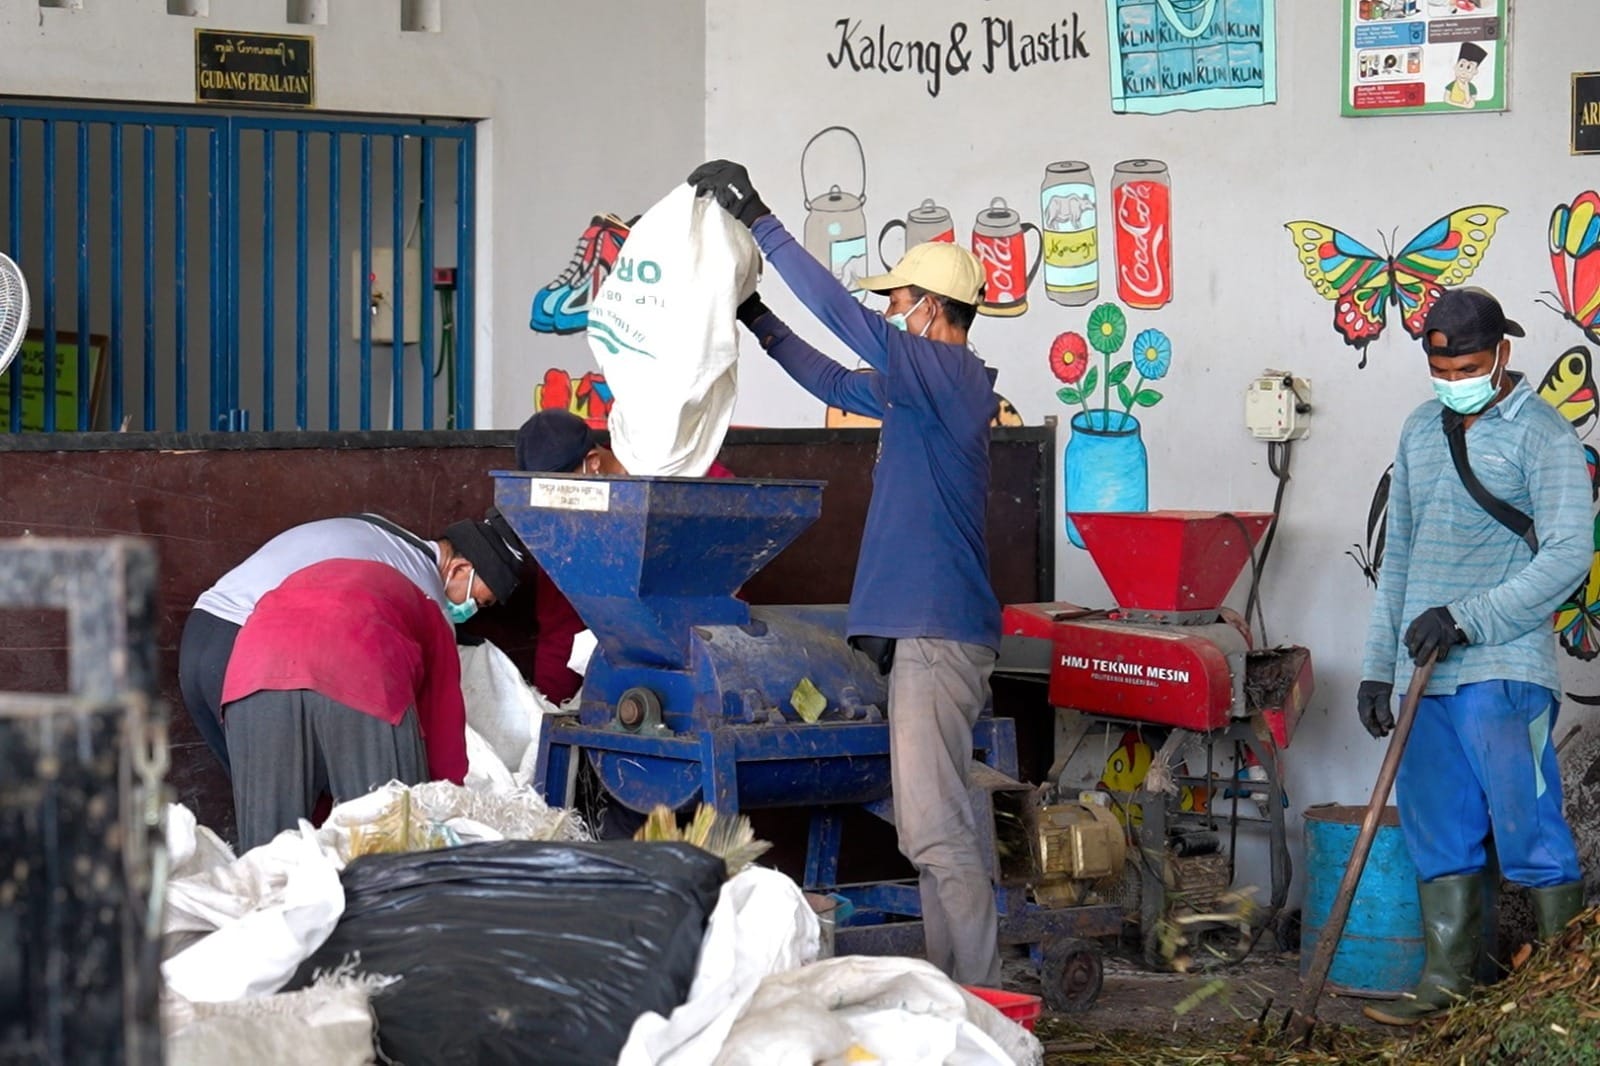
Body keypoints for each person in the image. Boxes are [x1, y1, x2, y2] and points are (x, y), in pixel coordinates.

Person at [689, 160, 1004, 986]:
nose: (886, 313)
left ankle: (976, 999)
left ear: (931, 311)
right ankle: (965, 988)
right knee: (937, 830)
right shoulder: (922, 391)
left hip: (936, 635)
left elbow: (839, 319)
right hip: (926, 636)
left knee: (936, 834)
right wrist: (755, 316)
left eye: (896, 302)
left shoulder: (951, 375)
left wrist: (761, 221)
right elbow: (828, 374)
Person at [1358, 287, 1591, 1025]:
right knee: (1438, 829)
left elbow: (1567, 559)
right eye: (1443, 364)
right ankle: (1450, 982)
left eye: (1469, 363)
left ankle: (1567, 997)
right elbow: (1399, 556)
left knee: (1529, 832)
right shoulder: (1420, 429)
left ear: (1504, 354)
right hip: (1424, 674)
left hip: (1503, 672)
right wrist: (1376, 666)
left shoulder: (1543, 435)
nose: (1455, 376)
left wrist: (1467, 617)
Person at [180, 511, 527, 774]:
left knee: (257, 796)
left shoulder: (377, 526)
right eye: (480, 602)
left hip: (199, 634)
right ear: (460, 568)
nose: (471, 612)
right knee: (293, 805)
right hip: (248, 650)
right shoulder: (426, 598)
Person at [221, 558, 470, 851]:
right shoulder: (429, 614)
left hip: (253, 673)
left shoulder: (308, 583)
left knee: (269, 857)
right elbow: (443, 732)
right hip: (358, 665)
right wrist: (443, 813)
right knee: (389, 847)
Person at [513, 408, 735, 704]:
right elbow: (558, 628)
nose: (556, 508)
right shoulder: (565, 528)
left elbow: (733, 540)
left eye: (560, 492)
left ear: (592, 463)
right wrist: (549, 710)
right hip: (619, 682)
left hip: (700, 659)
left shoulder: (672, 473)